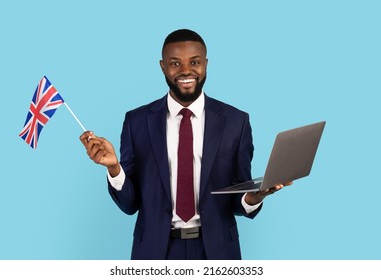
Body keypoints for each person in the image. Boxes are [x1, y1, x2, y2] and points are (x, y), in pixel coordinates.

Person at [79, 29, 292, 260]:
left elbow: (237, 197)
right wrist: (114, 169)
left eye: (195, 62)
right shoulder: (137, 122)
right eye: (175, 63)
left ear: (206, 64)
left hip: (217, 252)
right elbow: (130, 205)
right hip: (155, 252)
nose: (185, 71)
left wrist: (254, 197)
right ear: (162, 67)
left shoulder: (236, 122)